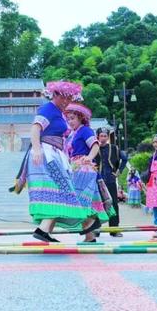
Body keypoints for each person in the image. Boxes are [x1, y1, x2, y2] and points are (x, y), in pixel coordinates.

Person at [11, 81, 89, 243]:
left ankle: (46, 231)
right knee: (61, 189)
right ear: (55, 95)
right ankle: (43, 229)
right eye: (64, 97)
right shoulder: (48, 109)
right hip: (47, 154)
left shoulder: (59, 112)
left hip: (54, 153)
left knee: (59, 190)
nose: (67, 101)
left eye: (69, 98)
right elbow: (35, 128)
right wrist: (38, 149)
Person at [64, 103, 111, 242]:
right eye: (68, 119)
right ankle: (89, 236)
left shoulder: (85, 130)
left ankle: (92, 227)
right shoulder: (72, 134)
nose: (70, 121)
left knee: (81, 202)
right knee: (83, 203)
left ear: (80, 118)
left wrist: (89, 158)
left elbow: (95, 145)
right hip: (75, 168)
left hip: (84, 169)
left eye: (72, 118)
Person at [92, 127, 127, 237]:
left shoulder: (114, 148)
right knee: (97, 204)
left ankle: (114, 229)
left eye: (105, 136)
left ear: (108, 137)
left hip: (110, 180)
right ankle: (96, 229)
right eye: (101, 135)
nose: (103, 138)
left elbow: (125, 158)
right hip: (97, 180)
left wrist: (119, 170)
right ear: (97, 136)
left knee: (113, 204)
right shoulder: (93, 148)